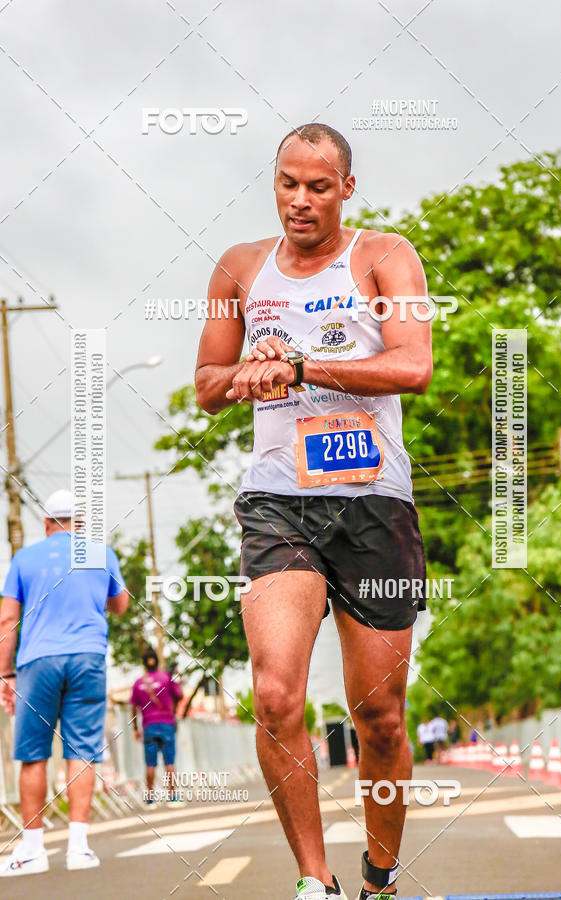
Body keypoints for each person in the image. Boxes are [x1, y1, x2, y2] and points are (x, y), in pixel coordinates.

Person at [195, 123, 432, 900]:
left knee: (382, 720)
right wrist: (246, 377)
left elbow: (413, 365)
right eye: (287, 183)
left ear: (346, 191)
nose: (300, 200)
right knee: (274, 694)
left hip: (374, 505)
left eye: (318, 186)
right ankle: (313, 881)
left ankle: (380, 875)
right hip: (277, 502)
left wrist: (300, 364)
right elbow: (204, 385)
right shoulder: (239, 268)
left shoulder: (384, 256)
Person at [0, 489, 129, 877]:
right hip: (88, 657)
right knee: (83, 750)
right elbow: (120, 604)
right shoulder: (100, 553)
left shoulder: (24, 558)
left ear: (46, 523)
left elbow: (7, 621)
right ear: (80, 524)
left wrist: (5, 674)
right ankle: (78, 848)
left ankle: (34, 850)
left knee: (33, 753)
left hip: (37, 662)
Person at [130, 648, 183, 805]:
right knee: (169, 762)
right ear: (157, 661)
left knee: (150, 764)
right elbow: (179, 695)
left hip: (149, 726)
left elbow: (133, 707)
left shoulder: (138, 683)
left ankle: (150, 800)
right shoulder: (167, 678)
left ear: (144, 663)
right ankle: (173, 797)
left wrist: (135, 729)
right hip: (167, 724)